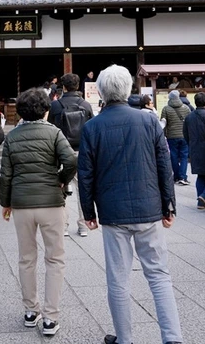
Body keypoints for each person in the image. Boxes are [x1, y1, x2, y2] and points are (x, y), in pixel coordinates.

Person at [77, 65, 182, 344]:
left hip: (113, 211)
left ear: (100, 91)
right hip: (149, 206)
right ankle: (172, 338)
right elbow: (164, 164)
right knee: (159, 274)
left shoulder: (92, 127)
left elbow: (85, 174)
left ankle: (124, 339)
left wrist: (88, 212)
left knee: (118, 278)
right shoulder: (148, 121)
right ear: (129, 89)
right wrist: (168, 205)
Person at [0, 87, 77, 337]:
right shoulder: (54, 133)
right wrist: (62, 180)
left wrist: (6, 202)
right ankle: (51, 317)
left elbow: (6, 174)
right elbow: (71, 160)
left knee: (26, 258)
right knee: (54, 259)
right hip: (51, 203)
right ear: (45, 110)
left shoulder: (12, 136)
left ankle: (31, 311)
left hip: (22, 203)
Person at [48, 73, 94, 237]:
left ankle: (64, 225)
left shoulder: (56, 106)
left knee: (61, 188)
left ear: (64, 87)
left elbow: (51, 130)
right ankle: (83, 224)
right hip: (82, 152)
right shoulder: (86, 105)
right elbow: (91, 131)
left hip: (61, 151)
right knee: (83, 188)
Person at [183, 92, 205, 210]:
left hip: (195, 148)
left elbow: (186, 134)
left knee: (201, 175)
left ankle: (200, 201)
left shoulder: (189, 117)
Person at [161, 90, 191, 186]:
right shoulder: (186, 108)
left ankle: (176, 176)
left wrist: (164, 134)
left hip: (171, 136)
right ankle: (182, 177)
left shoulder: (166, 109)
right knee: (184, 156)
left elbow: (163, 124)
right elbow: (189, 122)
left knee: (173, 156)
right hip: (184, 135)